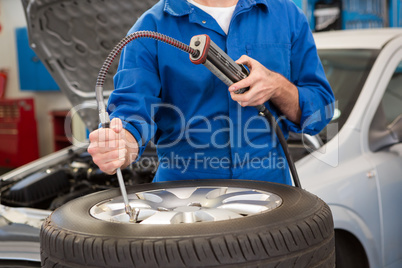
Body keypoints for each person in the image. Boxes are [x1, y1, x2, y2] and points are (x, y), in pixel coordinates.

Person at [87, 0, 335, 185]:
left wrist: (277, 86)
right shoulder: (149, 28)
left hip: (272, 191)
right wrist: (119, 147)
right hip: (182, 198)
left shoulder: (286, 15)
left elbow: (320, 110)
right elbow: (132, 116)